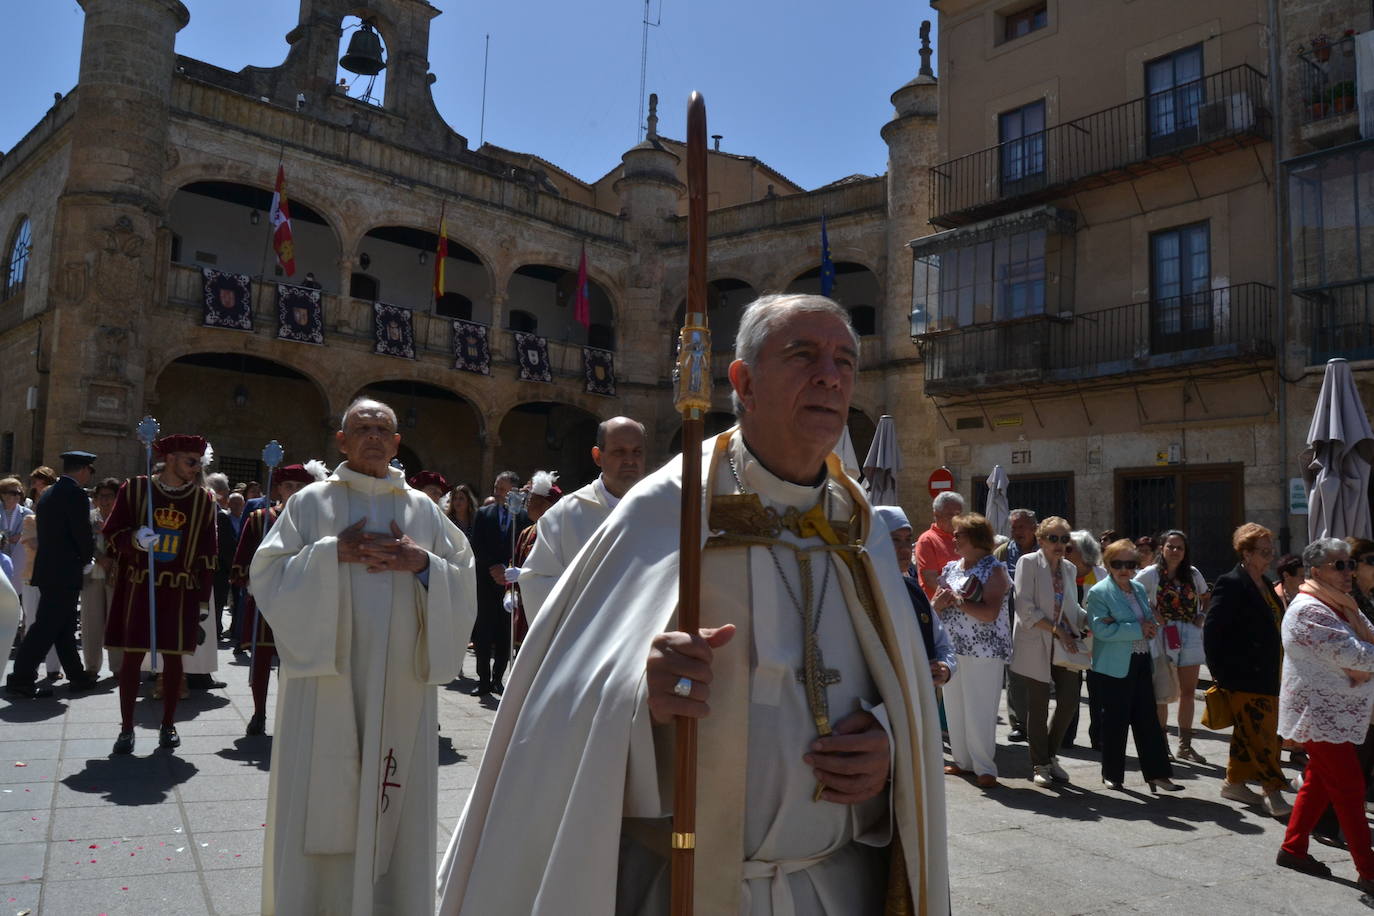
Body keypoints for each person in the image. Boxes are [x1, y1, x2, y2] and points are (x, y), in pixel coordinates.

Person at [437, 293, 949, 915]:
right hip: (687, 889)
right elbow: (559, 702)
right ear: (743, 381)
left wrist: (891, 743)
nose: (830, 375)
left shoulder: (857, 523)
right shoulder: (671, 508)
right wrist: (639, 696)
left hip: (840, 887)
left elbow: (903, 688)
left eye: (845, 360)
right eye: (804, 354)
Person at [250, 398, 477, 916]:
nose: (373, 436)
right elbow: (267, 577)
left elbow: (462, 577)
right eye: (362, 427)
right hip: (327, 677)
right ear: (342, 441)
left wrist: (422, 564)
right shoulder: (309, 504)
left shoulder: (422, 510)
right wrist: (329, 553)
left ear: (397, 443)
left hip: (400, 678)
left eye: (383, 428)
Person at [103, 435, 218, 754]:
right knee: (131, 659)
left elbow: (209, 554)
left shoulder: (203, 500)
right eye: (191, 461)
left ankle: (168, 724)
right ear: (170, 458)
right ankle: (126, 728)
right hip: (139, 586)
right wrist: (135, 539)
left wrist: (204, 601)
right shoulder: (136, 489)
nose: (197, 469)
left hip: (180, 590)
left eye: (199, 462)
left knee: (174, 661)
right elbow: (112, 532)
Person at [1274, 538, 1374, 895]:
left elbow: (1368, 641)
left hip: (1338, 712)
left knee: (1318, 782)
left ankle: (1293, 849)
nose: (1348, 572)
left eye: (1350, 564)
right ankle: (1369, 871)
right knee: (1349, 789)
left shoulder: (1341, 605)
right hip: (1318, 715)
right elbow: (1359, 656)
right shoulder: (1308, 609)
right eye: (1340, 566)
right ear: (1316, 571)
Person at [516, 416, 647, 621]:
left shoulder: (662, 510)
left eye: (637, 452)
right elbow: (536, 582)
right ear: (597, 456)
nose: (630, 460)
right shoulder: (563, 515)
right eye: (619, 452)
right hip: (586, 641)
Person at [231, 461, 327, 737]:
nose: (294, 492)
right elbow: (243, 559)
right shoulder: (260, 518)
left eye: (301, 487)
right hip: (266, 601)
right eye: (289, 487)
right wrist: (250, 579)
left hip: (303, 604)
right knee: (261, 659)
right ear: (279, 489)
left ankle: (292, 711)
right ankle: (259, 712)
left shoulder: (318, 523)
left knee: (295, 661)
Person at [1204, 522, 1292, 817]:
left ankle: (1234, 782)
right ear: (1247, 553)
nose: (1270, 556)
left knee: (1249, 732)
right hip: (1243, 674)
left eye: (1271, 550)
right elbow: (1213, 630)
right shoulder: (1231, 582)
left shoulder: (1265, 582)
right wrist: (1218, 673)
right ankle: (1273, 790)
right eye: (1264, 551)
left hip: (1270, 671)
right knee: (1264, 735)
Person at [1086, 539, 1180, 792]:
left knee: (1147, 719)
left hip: (1140, 659)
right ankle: (1112, 773)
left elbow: (1148, 618)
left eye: (1130, 563)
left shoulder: (1138, 588)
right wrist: (1136, 628)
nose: (1124, 569)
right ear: (1108, 565)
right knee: (1115, 721)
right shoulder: (1099, 592)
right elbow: (1100, 629)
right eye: (1118, 563)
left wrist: (1144, 626)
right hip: (1113, 665)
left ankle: (1158, 774)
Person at [5, 451, 100, 697]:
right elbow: (81, 532)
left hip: (49, 569)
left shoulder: (49, 494)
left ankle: (77, 676)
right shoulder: (75, 495)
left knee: (64, 626)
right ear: (82, 469)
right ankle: (20, 677)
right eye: (90, 470)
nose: (90, 475)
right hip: (65, 571)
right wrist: (87, 557)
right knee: (46, 627)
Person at [933, 512, 1011, 788]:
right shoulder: (952, 568)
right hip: (953, 648)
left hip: (984, 651)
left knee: (980, 708)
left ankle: (984, 767)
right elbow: (936, 604)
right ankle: (963, 762)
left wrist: (956, 602)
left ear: (977, 538)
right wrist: (939, 604)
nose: (953, 538)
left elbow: (990, 613)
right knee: (955, 707)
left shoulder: (995, 569)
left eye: (959, 534)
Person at [1010, 516, 1084, 787]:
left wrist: (1092, 620)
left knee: (1069, 700)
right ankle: (1039, 763)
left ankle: (1050, 755)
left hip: (1062, 643)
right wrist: (1059, 630)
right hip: (1036, 640)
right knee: (1037, 706)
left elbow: (1072, 609)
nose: (1060, 544)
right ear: (1040, 540)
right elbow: (1025, 608)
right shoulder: (1027, 563)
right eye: (1053, 538)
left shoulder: (1069, 569)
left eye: (1065, 539)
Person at [1134, 529, 1210, 761]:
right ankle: (1162, 743)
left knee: (1188, 692)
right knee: (1163, 693)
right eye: (1171, 546)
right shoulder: (1151, 573)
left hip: (1189, 632)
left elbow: (1206, 596)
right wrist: (1152, 612)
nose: (1175, 551)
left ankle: (1185, 745)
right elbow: (1132, 592)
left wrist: (1201, 616)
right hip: (1163, 634)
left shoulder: (1193, 574)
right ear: (1162, 548)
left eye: (1180, 547)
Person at [874, 505, 957, 690]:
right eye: (895, 540)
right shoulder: (862, 594)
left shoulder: (914, 591)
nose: (904, 549)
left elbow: (943, 644)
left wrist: (946, 668)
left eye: (908, 540)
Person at [468, 471, 526, 697]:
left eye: (502, 489)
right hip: (486, 581)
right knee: (483, 633)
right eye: (496, 488)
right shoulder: (483, 514)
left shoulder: (522, 517)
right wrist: (493, 567)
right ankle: (482, 680)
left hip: (508, 585)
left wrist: (507, 568)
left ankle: (497, 679)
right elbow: (477, 545)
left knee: (504, 634)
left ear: (514, 491)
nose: (498, 493)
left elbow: (521, 548)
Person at [994, 508, 1037, 742]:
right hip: (1012, 620)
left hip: (1042, 620)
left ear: (1034, 528)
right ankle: (1019, 722)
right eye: (1013, 527)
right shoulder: (1002, 552)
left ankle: (1040, 723)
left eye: (1020, 527)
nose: (1016, 532)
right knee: (1015, 674)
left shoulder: (1045, 549)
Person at [1064, 529, 1108, 749]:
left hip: (1097, 642)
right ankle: (1066, 735)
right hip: (1069, 640)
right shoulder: (1062, 573)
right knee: (1070, 689)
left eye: (1069, 547)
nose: (1064, 550)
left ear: (1084, 552)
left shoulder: (1102, 576)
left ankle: (1099, 737)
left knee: (1098, 690)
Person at [509, 471, 562, 647]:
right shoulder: (526, 533)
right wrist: (511, 592)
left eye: (531, 500)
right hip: (524, 609)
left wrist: (524, 575)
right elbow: (514, 563)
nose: (526, 504)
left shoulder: (560, 535)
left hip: (549, 611)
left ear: (546, 506)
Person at [80, 477, 122, 680]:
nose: (104, 501)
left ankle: (118, 666)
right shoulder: (88, 518)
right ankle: (92, 666)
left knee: (117, 620)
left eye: (108, 496)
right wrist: (100, 557)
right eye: (100, 496)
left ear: (117, 497)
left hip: (117, 575)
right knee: (91, 620)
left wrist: (112, 559)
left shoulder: (123, 519)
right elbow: (83, 542)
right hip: (92, 575)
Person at [915, 491, 964, 599]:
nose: (956, 519)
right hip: (942, 606)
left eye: (958, 514)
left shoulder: (963, 537)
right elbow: (931, 579)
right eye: (951, 514)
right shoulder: (927, 540)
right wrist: (958, 598)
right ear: (936, 514)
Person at [206, 472, 237, 643]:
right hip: (218, 573)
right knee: (214, 610)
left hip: (207, 571)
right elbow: (227, 548)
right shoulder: (221, 516)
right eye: (227, 492)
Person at [0, 477, 33, 591]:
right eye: (13, 493)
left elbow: (32, 535)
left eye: (19, 493)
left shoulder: (27, 514)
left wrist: (22, 535)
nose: (17, 496)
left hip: (18, 561)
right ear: (3, 495)